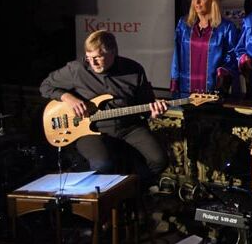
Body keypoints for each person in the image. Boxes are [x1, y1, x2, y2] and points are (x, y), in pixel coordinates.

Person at [41, 30, 169, 181]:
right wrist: (68, 98)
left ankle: (131, 191)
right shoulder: (77, 69)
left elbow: (147, 105)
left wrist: (154, 113)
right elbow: (46, 86)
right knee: (102, 165)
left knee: (159, 160)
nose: (92, 63)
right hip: (89, 129)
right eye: (89, 58)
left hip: (129, 127)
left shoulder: (134, 70)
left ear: (113, 53)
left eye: (97, 57)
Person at [171, 0, 238, 98]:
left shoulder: (226, 27)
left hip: (212, 90)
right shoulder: (183, 25)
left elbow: (232, 56)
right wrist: (174, 80)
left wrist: (222, 75)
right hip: (186, 88)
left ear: (212, 1)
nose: (197, 2)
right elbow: (176, 56)